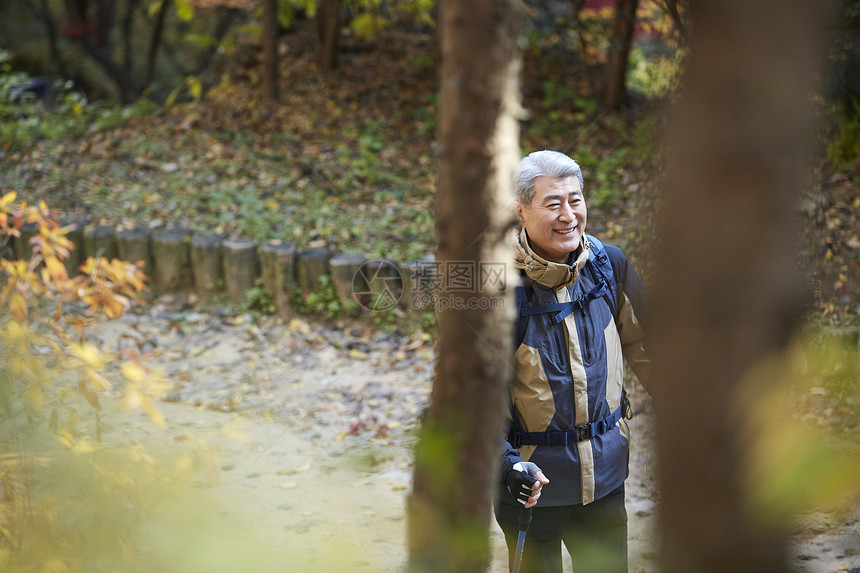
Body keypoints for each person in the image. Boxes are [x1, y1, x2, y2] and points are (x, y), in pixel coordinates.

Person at [495, 150, 650, 573]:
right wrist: (508, 466)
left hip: (605, 480)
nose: (568, 214)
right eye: (553, 203)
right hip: (532, 487)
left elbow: (652, 350)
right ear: (521, 212)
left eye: (575, 200)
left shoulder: (608, 266)